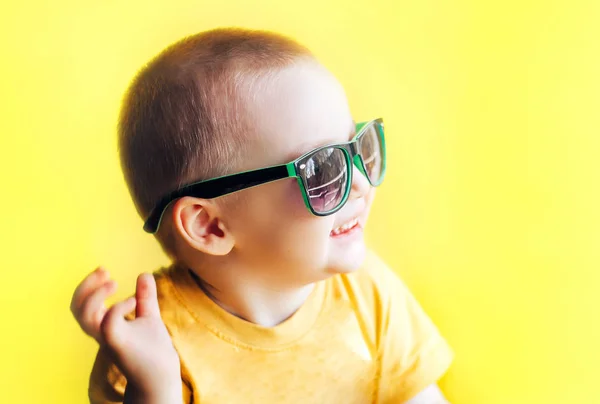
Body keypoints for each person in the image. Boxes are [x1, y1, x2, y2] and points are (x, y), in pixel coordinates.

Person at [70, 28, 453, 403]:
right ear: (210, 226)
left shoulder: (368, 293)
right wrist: (157, 390)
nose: (360, 185)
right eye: (321, 169)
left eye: (357, 148)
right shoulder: (153, 350)